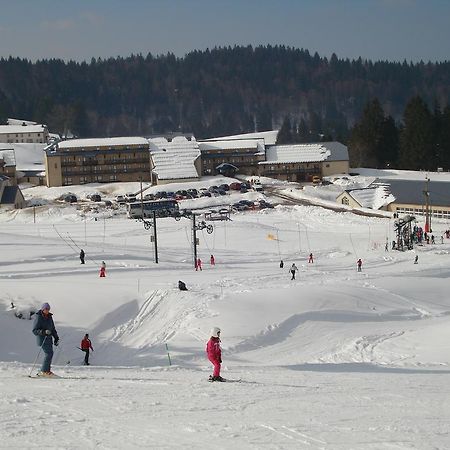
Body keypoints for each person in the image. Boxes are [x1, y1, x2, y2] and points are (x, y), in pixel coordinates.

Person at [32, 303, 59, 376]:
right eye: (46, 309)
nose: (47, 310)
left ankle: (47, 370)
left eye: (48, 309)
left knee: (50, 354)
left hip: (49, 339)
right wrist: (43, 332)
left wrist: (56, 338)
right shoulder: (39, 317)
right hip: (42, 339)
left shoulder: (49, 317)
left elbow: (52, 328)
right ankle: (44, 371)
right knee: (49, 353)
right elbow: (34, 330)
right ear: (42, 309)